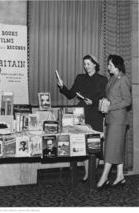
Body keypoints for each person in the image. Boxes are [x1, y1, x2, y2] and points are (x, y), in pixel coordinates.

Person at [57, 54, 108, 181]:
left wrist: (94, 102)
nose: (86, 67)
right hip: (81, 114)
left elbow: (105, 98)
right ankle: (87, 174)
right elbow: (70, 95)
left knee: (94, 146)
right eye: (84, 64)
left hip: (95, 114)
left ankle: (92, 174)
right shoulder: (80, 78)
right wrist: (62, 86)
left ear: (95, 64)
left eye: (89, 64)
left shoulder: (103, 79)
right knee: (84, 145)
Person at [97, 55, 132, 190]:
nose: (108, 67)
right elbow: (112, 97)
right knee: (116, 147)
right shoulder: (112, 79)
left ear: (117, 66)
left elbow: (127, 101)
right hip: (111, 119)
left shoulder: (123, 79)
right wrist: (104, 103)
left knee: (111, 148)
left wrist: (109, 107)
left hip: (119, 120)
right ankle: (119, 176)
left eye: (110, 65)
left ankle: (104, 176)